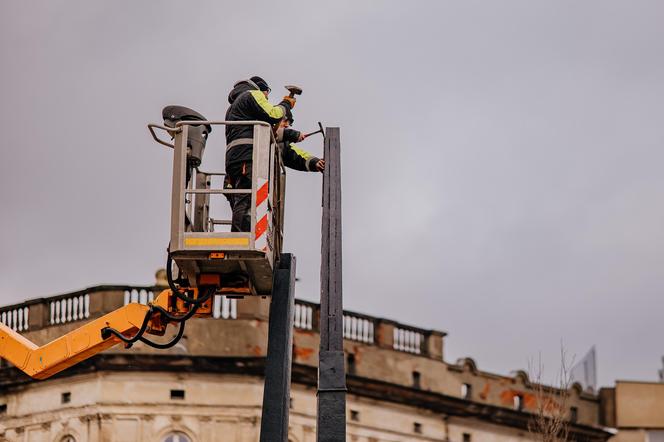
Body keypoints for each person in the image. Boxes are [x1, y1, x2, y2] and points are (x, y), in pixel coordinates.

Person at [224, 76, 295, 232]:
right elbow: (273, 114)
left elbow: (270, 127)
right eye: (267, 93)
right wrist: (286, 105)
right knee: (246, 199)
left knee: (242, 198)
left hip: (235, 159)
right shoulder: (252, 94)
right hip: (247, 157)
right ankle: (241, 237)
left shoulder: (235, 107)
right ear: (261, 89)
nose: (267, 97)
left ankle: (242, 234)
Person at [276, 108, 325, 173]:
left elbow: (298, 157)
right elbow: (275, 133)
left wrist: (315, 163)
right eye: (285, 121)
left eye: (289, 124)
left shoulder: (284, 146)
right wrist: (293, 134)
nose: (287, 125)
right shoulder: (263, 127)